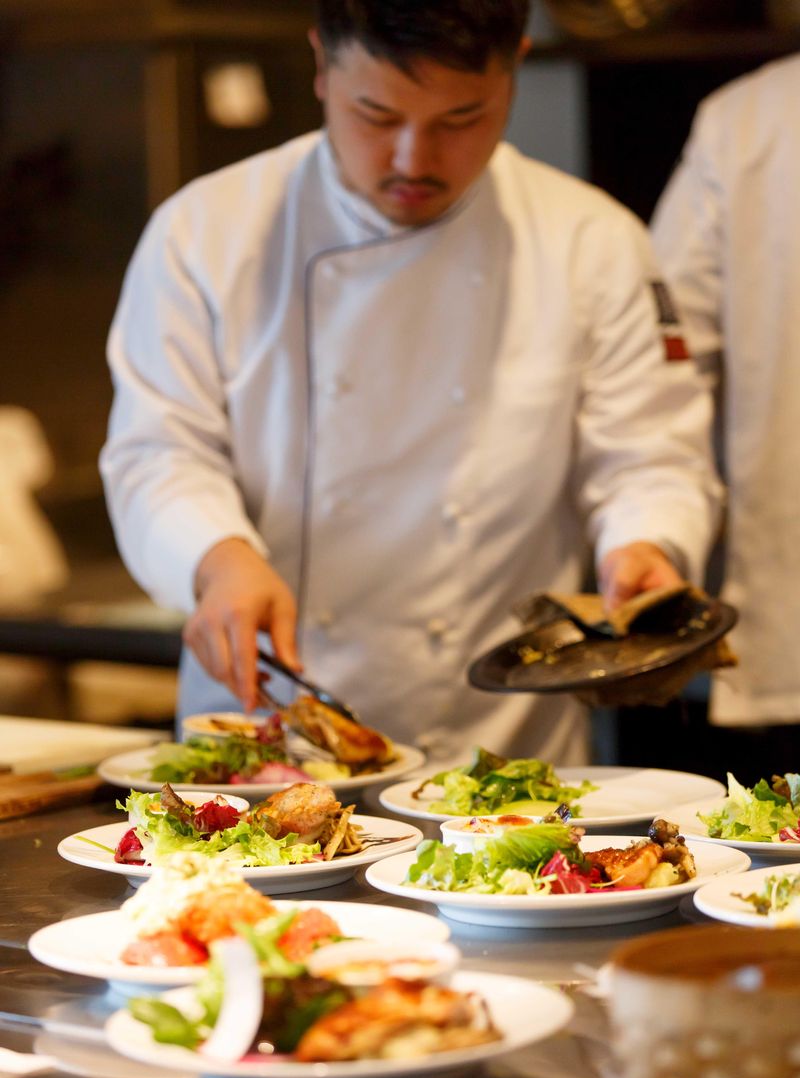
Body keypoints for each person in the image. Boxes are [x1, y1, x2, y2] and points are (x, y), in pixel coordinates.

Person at [100, 0, 721, 768]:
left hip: (502, 752)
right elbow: (158, 451)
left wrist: (644, 545)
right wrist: (216, 555)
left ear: (515, 68)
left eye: (462, 119)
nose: (413, 159)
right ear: (322, 64)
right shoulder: (205, 232)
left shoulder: (592, 243)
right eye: (377, 115)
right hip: (266, 737)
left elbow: (650, 456)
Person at [650, 52, 800, 781]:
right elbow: (662, 367)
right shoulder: (747, 121)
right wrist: (652, 531)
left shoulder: (752, 117)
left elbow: (663, 372)